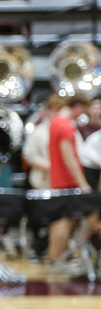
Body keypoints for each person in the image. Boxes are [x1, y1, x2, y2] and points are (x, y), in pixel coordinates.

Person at [47, 94, 93, 264]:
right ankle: (56, 259)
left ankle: (54, 257)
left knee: (58, 220)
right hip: (66, 181)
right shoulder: (65, 126)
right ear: (79, 106)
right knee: (63, 221)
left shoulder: (55, 122)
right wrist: (83, 183)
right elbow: (69, 158)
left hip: (58, 180)